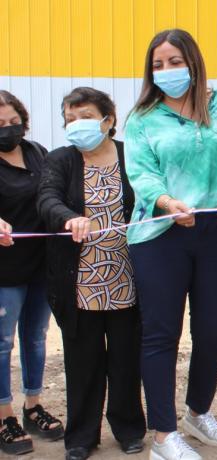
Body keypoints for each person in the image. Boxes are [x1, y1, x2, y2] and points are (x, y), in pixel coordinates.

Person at [125, 29, 217, 460]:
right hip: (161, 233)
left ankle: (198, 412)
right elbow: (140, 173)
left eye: (175, 61)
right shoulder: (142, 117)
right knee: (161, 334)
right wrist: (166, 201)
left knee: (213, 332)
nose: (167, 71)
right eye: (158, 65)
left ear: (193, 62)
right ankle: (163, 434)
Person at [37, 87, 146, 460]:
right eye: (70, 119)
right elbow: (47, 199)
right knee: (82, 364)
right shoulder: (60, 160)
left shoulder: (132, 155)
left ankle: (129, 428)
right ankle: (82, 436)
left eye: (84, 116)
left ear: (108, 120)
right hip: (79, 283)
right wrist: (70, 218)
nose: (76, 125)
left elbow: (150, 195)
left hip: (127, 279)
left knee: (126, 360)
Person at [0, 90, 65, 455]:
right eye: (0, 125)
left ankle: (33, 406)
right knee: (2, 343)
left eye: (14, 122)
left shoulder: (37, 152)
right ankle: (4, 415)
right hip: (5, 270)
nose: (9, 130)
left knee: (36, 337)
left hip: (42, 266)